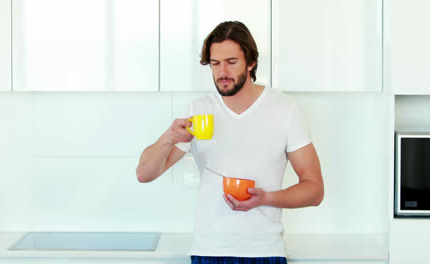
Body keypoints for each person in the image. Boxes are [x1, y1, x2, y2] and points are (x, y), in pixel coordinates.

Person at [136, 21, 324, 264]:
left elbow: (315, 190)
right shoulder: (199, 111)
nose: (222, 71)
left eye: (231, 62)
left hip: (264, 252)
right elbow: (144, 174)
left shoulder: (285, 109)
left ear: (251, 62)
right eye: (215, 63)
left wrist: (265, 198)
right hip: (209, 251)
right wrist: (168, 137)